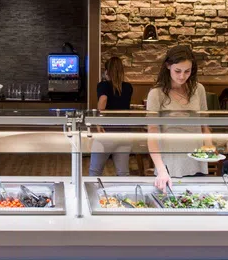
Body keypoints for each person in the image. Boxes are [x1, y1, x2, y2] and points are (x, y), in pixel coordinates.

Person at [147, 45, 212, 189]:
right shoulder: (156, 93)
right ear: (168, 66)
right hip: (170, 165)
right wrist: (161, 169)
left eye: (187, 71)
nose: (182, 76)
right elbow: (152, 134)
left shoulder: (198, 89)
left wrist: (209, 147)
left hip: (197, 162)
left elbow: (204, 125)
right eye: (178, 71)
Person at [89, 56, 134, 177]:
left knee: (95, 172)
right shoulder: (128, 87)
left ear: (106, 72)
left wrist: (98, 123)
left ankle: (92, 194)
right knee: (123, 173)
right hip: (124, 134)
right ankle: (124, 195)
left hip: (106, 133)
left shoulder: (103, 85)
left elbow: (103, 100)